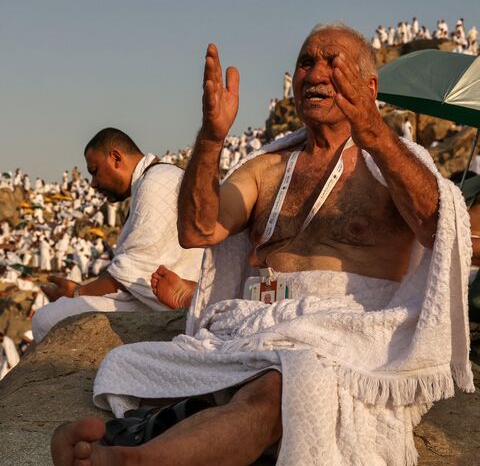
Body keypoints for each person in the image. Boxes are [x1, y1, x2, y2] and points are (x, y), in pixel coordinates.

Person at [51, 23, 473, 466]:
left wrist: (373, 131)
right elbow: (199, 229)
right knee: (134, 367)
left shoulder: (396, 162)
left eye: (334, 63)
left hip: (345, 327)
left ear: (370, 86)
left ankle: (132, 459)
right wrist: (211, 138)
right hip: (255, 321)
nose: (316, 73)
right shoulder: (266, 169)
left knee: (279, 385)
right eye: (306, 63)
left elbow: (435, 226)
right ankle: (126, 439)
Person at [32, 128, 203, 342]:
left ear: (115, 158)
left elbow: (133, 269)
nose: (93, 183)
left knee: (47, 319)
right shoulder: (155, 179)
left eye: (94, 171)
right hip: (151, 297)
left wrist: (78, 292)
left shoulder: (156, 182)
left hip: (167, 303)